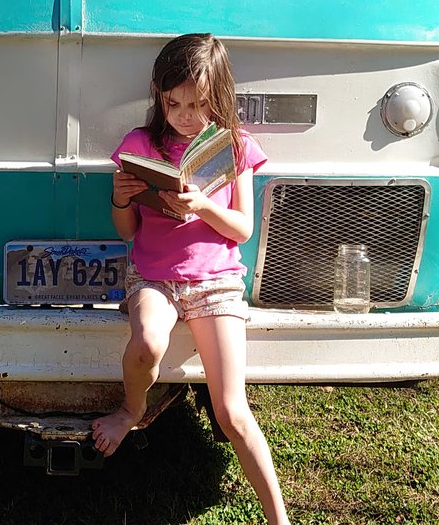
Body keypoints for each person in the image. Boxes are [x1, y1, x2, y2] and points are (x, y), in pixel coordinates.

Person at [92, 33, 290, 525]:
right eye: (173, 101)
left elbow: (242, 229)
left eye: (197, 104)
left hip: (216, 281)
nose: (184, 114)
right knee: (147, 346)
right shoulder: (141, 145)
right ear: (159, 95)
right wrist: (121, 198)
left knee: (232, 412)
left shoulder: (236, 148)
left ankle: (278, 518)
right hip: (154, 277)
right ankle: (131, 410)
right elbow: (127, 231)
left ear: (218, 97)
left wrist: (202, 204)